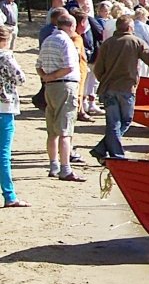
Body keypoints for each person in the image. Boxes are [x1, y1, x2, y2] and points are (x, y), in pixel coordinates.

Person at [90, 15, 149, 162]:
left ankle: (102, 149)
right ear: (130, 28)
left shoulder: (107, 43)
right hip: (127, 88)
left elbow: (98, 69)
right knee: (125, 121)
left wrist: (103, 80)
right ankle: (116, 155)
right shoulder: (136, 42)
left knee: (113, 122)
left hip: (108, 88)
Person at [36, 13, 87, 182]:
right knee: (65, 130)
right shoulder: (66, 41)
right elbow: (69, 67)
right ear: (71, 26)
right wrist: (53, 76)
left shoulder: (48, 40)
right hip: (65, 85)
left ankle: (54, 166)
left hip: (50, 88)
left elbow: (38, 66)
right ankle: (65, 169)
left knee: (52, 131)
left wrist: (46, 77)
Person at [0, 26, 29, 207]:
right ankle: (9, 195)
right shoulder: (5, 57)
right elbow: (20, 78)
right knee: (3, 154)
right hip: (4, 107)